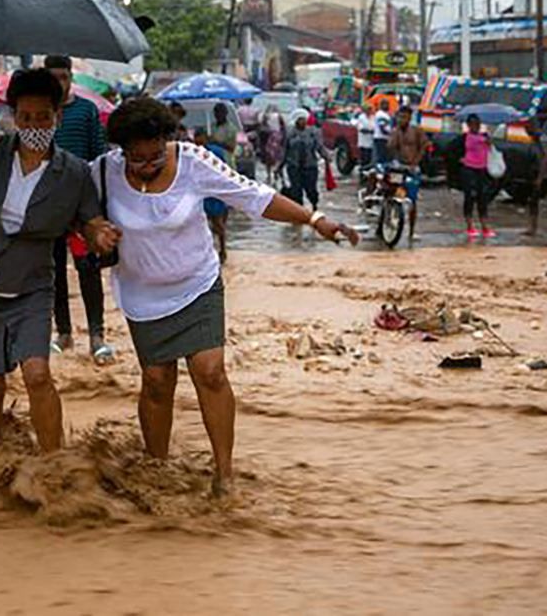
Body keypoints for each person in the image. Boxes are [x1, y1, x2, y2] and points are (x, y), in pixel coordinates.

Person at [95, 98, 359, 495]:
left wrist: (314, 219)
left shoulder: (194, 161)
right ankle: (156, 469)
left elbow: (255, 196)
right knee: (155, 380)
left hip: (197, 285)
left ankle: (224, 475)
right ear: (121, 151)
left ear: (167, 140)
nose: (148, 165)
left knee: (210, 371)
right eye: (138, 159)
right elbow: (73, 209)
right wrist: (92, 229)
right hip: (142, 295)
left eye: (155, 156)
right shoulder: (102, 172)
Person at [0, 69, 118, 451]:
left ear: (58, 117)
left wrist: (99, 233)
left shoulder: (74, 173)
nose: (34, 125)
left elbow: (89, 220)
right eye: (26, 118)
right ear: (13, 117)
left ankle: (55, 468)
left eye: (43, 117)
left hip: (30, 287)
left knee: (37, 374)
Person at [45, 55, 113, 364]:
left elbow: (100, 159)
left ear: (71, 78)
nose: (59, 82)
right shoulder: (40, 116)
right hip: (47, 208)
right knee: (54, 272)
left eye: (64, 77)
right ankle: (63, 333)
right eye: (54, 77)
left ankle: (97, 335)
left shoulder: (86, 111)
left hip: (82, 207)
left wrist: (99, 210)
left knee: (88, 270)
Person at [450, 113, 494, 241]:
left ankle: (484, 226)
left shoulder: (485, 137)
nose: (476, 127)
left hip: (482, 169)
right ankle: (470, 225)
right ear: (468, 125)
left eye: (478, 124)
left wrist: (489, 142)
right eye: (473, 124)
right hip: (469, 169)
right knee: (469, 197)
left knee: (483, 198)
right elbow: (451, 150)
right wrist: (460, 159)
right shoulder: (463, 138)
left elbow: (491, 149)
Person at [387, 106, 428, 240]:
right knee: (389, 194)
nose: (401, 120)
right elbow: (390, 147)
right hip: (398, 167)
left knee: (412, 200)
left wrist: (416, 162)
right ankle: (384, 223)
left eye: (404, 117)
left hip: (412, 168)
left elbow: (424, 146)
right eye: (399, 117)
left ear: (410, 118)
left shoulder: (416, 131)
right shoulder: (395, 131)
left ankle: (411, 231)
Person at [193, 128, 231, 262]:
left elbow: (224, 170)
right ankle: (204, 252)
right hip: (199, 192)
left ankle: (223, 250)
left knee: (218, 222)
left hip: (214, 191)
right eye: (196, 139)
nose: (198, 142)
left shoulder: (215, 152)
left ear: (205, 137)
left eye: (200, 138)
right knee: (199, 224)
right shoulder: (192, 153)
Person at [282, 109, 323, 210]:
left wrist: (327, 157)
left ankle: (314, 207)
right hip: (294, 166)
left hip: (310, 166)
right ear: (295, 121)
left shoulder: (313, 132)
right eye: (300, 120)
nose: (302, 122)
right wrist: (279, 166)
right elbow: (284, 149)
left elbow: (319, 147)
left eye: (304, 119)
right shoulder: (289, 133)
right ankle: (299, 212)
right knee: (296, 190)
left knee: (311, 190)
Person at [257, 105, 286, 185]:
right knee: (278, 158)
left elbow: (261, 128)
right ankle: (279, 175)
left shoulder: (265, 116)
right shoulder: (279, 116)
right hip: (277, 138)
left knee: (268, 158)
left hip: (269, 139)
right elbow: (283, 128)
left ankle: (269, 175)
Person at [208, 102, 239, 169]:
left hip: (227, 161)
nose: (218, 115)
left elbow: (231, 147)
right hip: (213, 162)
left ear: (225, 113)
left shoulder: (231, 128)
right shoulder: (212, 127)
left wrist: (216, 142)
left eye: (220, 112)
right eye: (216, 112)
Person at [372, 98, 394, 165]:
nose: (388, 106)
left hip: (384, 138)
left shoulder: (386, 114)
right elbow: (382, 128)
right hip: (381, 138)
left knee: (384, 158)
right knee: (381, 158)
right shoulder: (380, 114)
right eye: (386, 104)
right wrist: (391, 133)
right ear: (382, 105)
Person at [355, 103, 375, 168]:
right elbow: (361, 129)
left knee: (369, 159)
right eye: (369, 109)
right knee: (364, 159)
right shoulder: (361, 117)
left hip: (371, 142)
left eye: (371, 109)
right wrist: (370, 131)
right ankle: (362, 172)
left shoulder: (373, 117)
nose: (370, 111)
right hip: (363, 142)